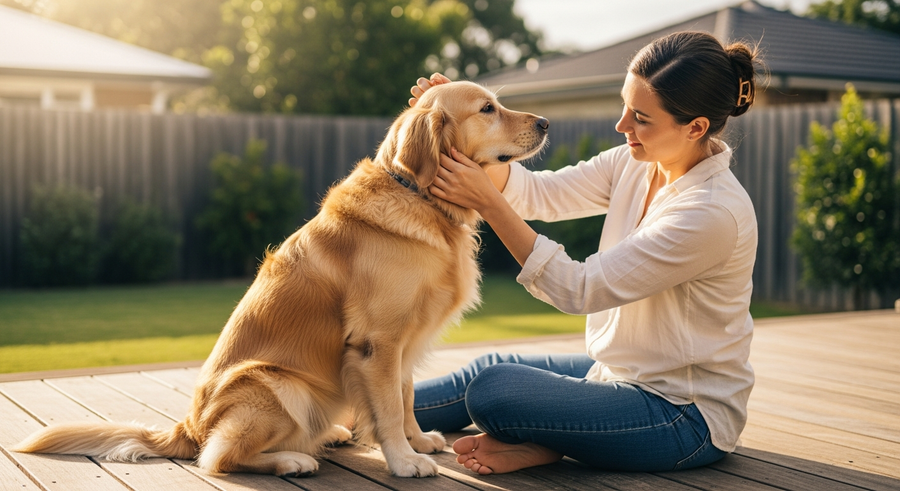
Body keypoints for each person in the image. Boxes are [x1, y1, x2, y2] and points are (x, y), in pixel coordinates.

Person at [408, 31, 761, 475]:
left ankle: (554, 441)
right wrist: (460, 126)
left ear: (695, 127)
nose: (622, 126)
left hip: (681, 415)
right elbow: (540, 194)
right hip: (617, 372)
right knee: (494, 363)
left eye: (641, 118)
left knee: (493, 390)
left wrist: (487, 202)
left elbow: (580, 289)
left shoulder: (711, 212)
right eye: (624, 106)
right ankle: (350, 409)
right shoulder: (636, 162)